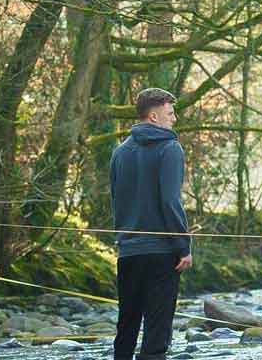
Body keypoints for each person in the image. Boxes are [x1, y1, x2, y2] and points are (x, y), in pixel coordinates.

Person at [110, 88, 192, 360]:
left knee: (126, 329)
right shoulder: (170, 148)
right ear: (154, 116)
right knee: (156, 334)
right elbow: (170, 202)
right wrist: (183, 246)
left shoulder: (119, 152)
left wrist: (122, 240)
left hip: (129, 253)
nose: (175, 119)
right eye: (170, 113)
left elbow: (116, 201)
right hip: (161, 254)